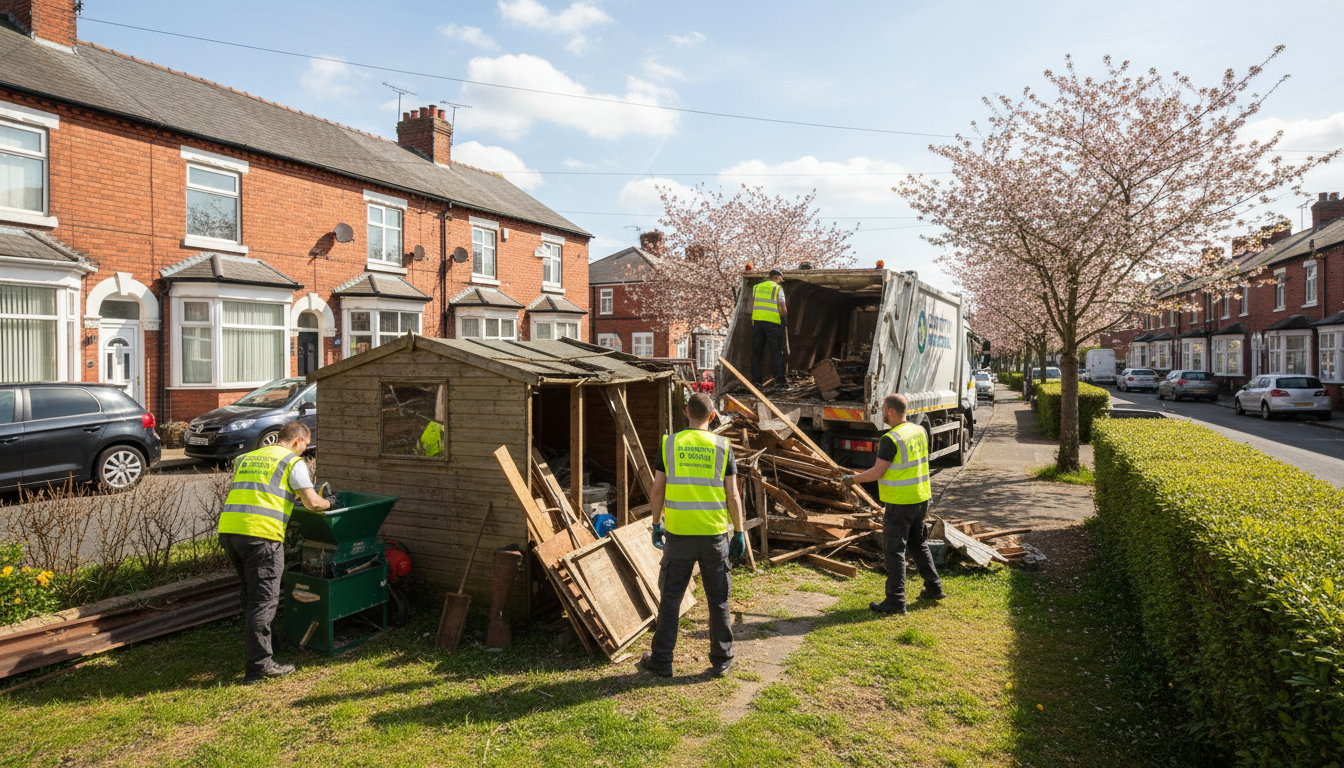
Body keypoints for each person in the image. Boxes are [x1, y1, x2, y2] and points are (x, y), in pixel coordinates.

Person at [642, 392, 747, 677]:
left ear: (686, 412)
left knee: (671, 600)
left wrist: (655, 524)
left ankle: (662, 661)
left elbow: (657, 490)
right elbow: (733, 495)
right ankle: (722, 660)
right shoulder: (723, 446)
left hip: (679, 537)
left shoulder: (670, 444)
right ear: (712, 417)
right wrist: (738, 532)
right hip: (714, 537)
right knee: (718, 600)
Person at [218, 420, 330, 683]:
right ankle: (259, 667)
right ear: (297, 441)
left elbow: (258, 493)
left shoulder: (247, 458)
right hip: (262, 536)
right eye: (305, 445)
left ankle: (268, 643)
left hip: (231, 530)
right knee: (264, 601)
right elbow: (313, 502)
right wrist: (328, 502)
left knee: (251, 594)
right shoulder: (292, 462)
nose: (304, 450)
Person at [841, 393, 945, 615]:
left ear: (890, 410)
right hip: (922, 497)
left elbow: (878, 472)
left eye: (883, 409)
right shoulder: (919, 431)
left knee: (894, 550)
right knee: (918, 543)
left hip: (900, 502)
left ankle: (896, 601)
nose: (882, 413)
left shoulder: (890, 439)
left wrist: (853, 479)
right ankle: (934, 588)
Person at [750, 269, 788, 386]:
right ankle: (779, 381)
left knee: (757, 352)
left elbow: (753, 304)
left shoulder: (756, 288)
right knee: (777, 351)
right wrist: (785, 320)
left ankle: (756, 381)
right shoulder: (778, 289)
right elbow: (782, 308)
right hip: (772, 323)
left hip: (757, 323)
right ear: (778, 278)